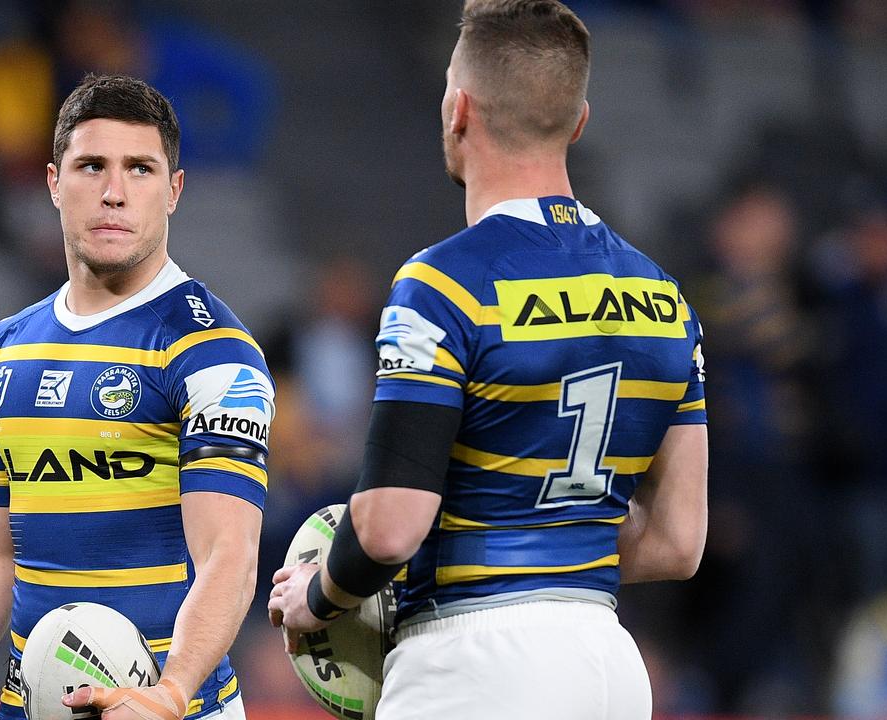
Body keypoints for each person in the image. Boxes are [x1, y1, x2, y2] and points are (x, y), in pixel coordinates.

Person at [267, 2, 708, 719]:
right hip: (609, 664)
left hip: (474, 664)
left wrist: (318, 596)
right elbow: (679, 540)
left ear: (458, 109)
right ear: (579, 120)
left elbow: (387, 528)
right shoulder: (664, 297)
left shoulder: (442, 285)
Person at [0, 74, 272, 720]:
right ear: (53, 184)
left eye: (140, 169)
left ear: (174, 191)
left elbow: (230, 555)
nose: (114, 192)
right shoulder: (6, 349)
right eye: (91, 166)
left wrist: (169, 694)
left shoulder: (212, 351)